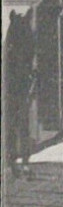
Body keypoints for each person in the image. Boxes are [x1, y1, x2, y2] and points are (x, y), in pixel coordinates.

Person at [3, 10, 36, 179]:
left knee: (16, 124)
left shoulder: (16, 32)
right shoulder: (23, 31)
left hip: (18, 86)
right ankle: (21, 162)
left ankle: (19, 161)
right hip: (18, 86)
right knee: (20, 124)